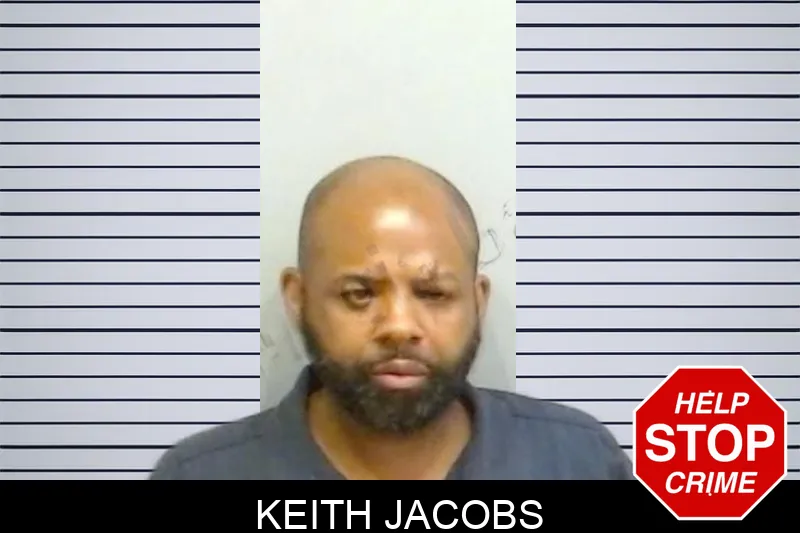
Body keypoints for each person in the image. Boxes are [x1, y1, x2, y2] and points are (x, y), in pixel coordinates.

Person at [149, 155, 633, 480]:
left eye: (433, 293)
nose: (400, 326)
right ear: (298, 298)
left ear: (477, 301)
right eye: (359, 294)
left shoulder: (578, 462)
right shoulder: (201, 475)